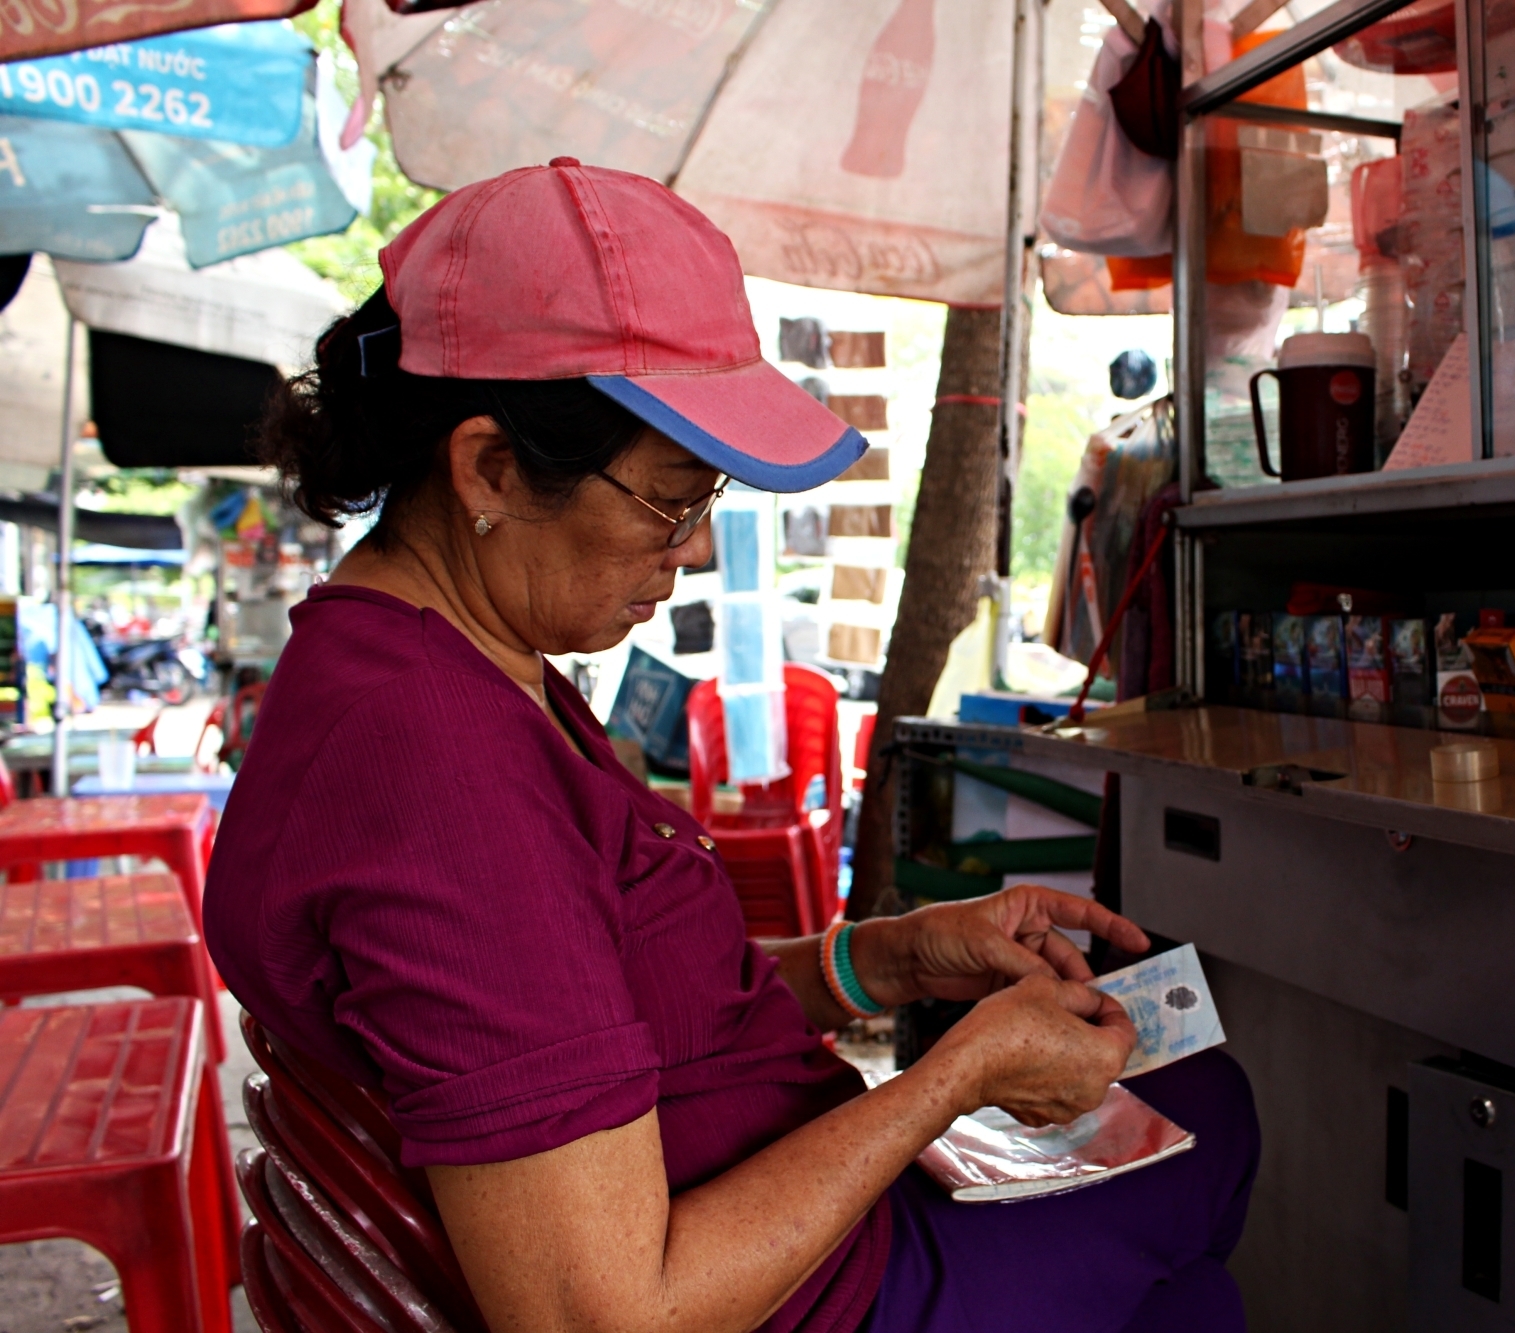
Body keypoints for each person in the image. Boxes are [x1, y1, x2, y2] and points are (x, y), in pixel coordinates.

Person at [204, 159, 1258, 1333]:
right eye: (669, 500)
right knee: (1206, 1135)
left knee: (1191, 1180)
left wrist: (882, 962)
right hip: (812, 1297)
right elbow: (603, 1313)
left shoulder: (438, 665)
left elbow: (599, 1008)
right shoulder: (437, 773)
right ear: (489, 468)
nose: (691, 554)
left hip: (789, 1225)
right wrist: (951, 1077)